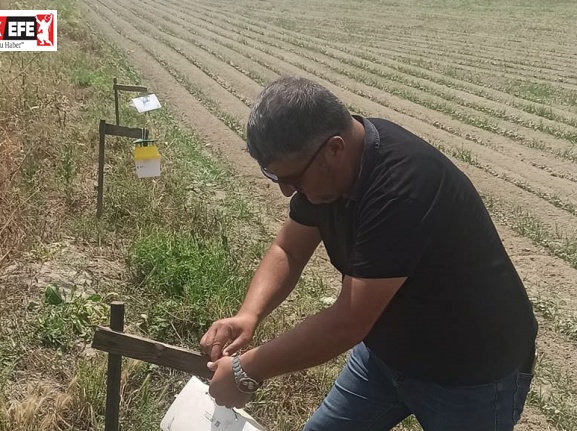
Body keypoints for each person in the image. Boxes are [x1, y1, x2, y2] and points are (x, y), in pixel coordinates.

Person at [200, 76, 538, 431]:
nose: (287, 192)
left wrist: (246, 371)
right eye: (276, 177)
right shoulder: (328, 174)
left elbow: (348, 322)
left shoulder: (403, 187)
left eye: (294, 179)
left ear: (334, 148)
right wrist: (248, 315)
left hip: (470, 374)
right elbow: (289, 248)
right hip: (386, 356)